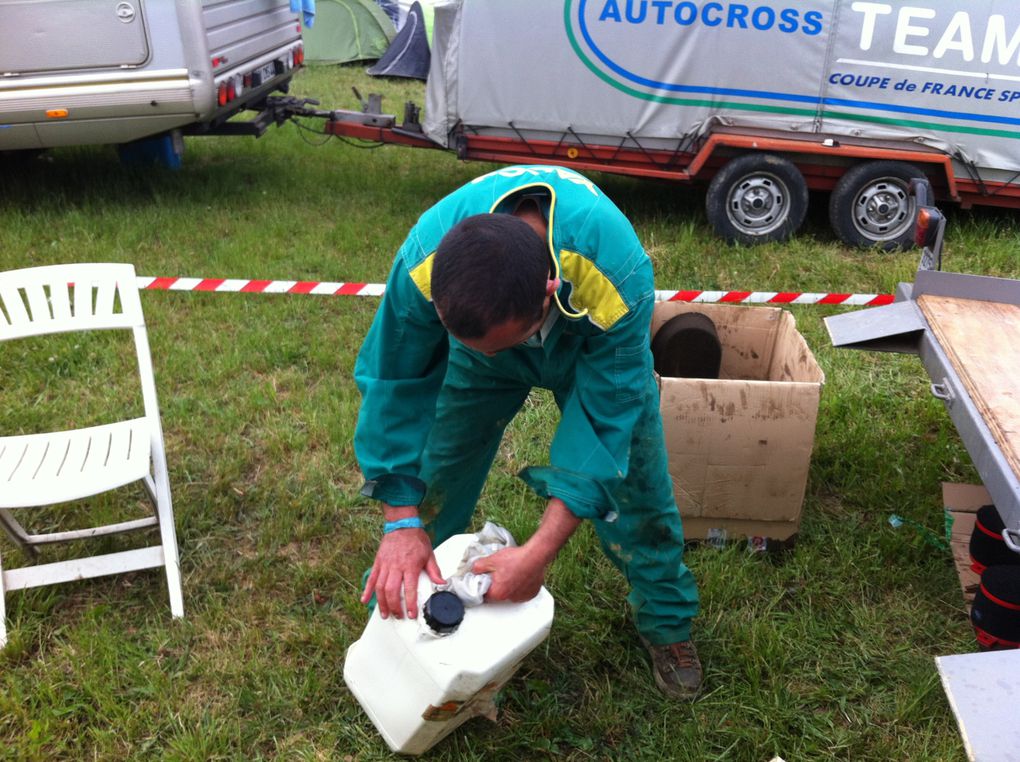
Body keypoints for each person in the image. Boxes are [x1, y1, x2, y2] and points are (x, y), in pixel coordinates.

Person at [353, 164, 701, 698]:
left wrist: (537, 553)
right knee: (436, 470)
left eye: (493, 344)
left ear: (548, 292)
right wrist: (400, 520)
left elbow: (606, 425)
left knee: (638, 493)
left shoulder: (614, 270)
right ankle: (405, 612)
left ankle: (668, 624)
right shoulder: (424, 259)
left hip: (591, 353)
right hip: (482, 348)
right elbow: (394, 376)